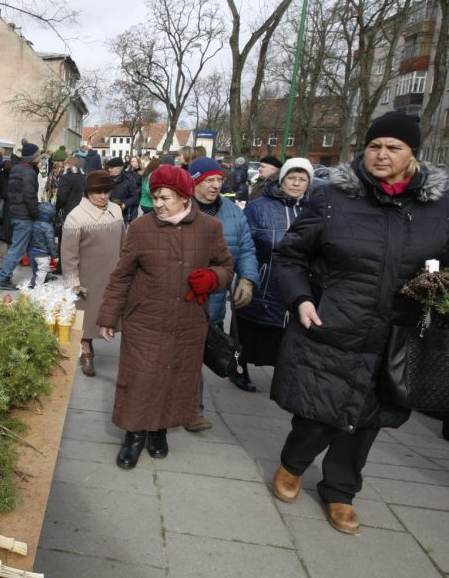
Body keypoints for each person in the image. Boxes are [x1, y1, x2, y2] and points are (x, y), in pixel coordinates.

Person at [270, 112, 449, 534]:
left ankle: (340, 490)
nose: (381, 154)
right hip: (334, 324)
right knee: (317, 412)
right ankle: (292, 465)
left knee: (368, 418)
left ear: (412, 154)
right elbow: (289, 255)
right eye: (374, 146)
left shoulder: (439, 208)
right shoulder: (332, 198)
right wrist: (300, 298)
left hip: (396, 333)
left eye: (393, 147)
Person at [97, 165, 234, 469]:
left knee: (175, 379)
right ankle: (134, 436)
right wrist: (109, 317)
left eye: (164, 197)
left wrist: (213, 278)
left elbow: (226, 266)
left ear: (185, 197)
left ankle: (159, 432)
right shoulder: (142, 227)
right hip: (146, 318)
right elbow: (122, 276)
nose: (157, 203)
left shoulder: (210, 228)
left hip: (187, 322)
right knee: (141, 379)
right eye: (155, 196)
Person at [186, 157, 260, 430]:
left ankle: (193, 410)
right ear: (194, 181)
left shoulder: (232, 212)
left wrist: (248, 279)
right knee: (181, 359)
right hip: (182, 299)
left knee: (196, 359)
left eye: (219, 180)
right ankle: (187, 409)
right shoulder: (180, 208)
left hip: (214, 302)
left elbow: (247, 249)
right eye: (209, 180)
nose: (216, 185)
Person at [235, 158, 313, 372]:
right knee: (245, 333)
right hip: (261, 281)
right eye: (291, 178)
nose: (296, 183)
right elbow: (243, 244)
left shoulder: (313, 211)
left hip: (291, 288)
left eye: (302, 179)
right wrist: (246, 276)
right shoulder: (259, 207)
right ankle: (238, 368)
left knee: (283, 337)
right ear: (282, 179)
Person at [61, 170, 126, 377]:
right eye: (98, 192)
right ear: (88, 192)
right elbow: (68, 254)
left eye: (107, 191)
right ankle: (86, 352)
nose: (103, 196)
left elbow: (124, 242)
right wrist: (73, 283)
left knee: (113, 313)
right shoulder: (75, 217)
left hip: (113, 274)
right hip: (87, 277)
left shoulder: (116, 210)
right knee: (86, 319)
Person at [0, 140, 41, 290]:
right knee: (17, 249)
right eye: (38, 155)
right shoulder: (28, 172)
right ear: (31, 158)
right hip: (24, 215)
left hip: (15, 212)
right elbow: (29, 196)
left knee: (31, 247)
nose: (40, 157)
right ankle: (3, 278)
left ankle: (41, 275)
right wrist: (36, 213)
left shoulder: (17, 169)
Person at [28, 203, 59, 288]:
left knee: (35, 270)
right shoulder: (48, 227)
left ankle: (33, 283)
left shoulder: (33, 224)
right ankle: (38, 287)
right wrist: (55, 255)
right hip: (42, 254)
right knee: (42, 270)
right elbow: (51, 242)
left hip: (31, 252)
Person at [106, 157, 139, 223]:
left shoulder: (129, 179)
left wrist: (125, 204)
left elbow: (135, 196)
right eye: (108, 168)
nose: (109, 169)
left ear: (119, 168)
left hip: (122, 215)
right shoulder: (105, 178)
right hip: (106, 213)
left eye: (111, 168)